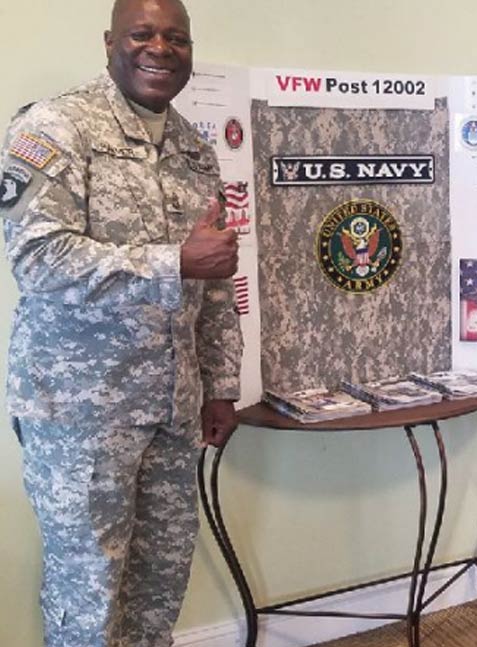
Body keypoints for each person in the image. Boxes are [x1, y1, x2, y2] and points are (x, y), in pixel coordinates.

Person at [1, 0, 242, 645]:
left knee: (158, 586)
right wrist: (173, 260)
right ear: (110, 42)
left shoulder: (194, 149)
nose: (159, 48)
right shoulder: (57, 126)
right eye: (142, 34)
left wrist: (220, 384)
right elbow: (36, 257)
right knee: (89, 593)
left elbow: (212, 276)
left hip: (172, 408)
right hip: (81, 416)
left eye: (176, 38)